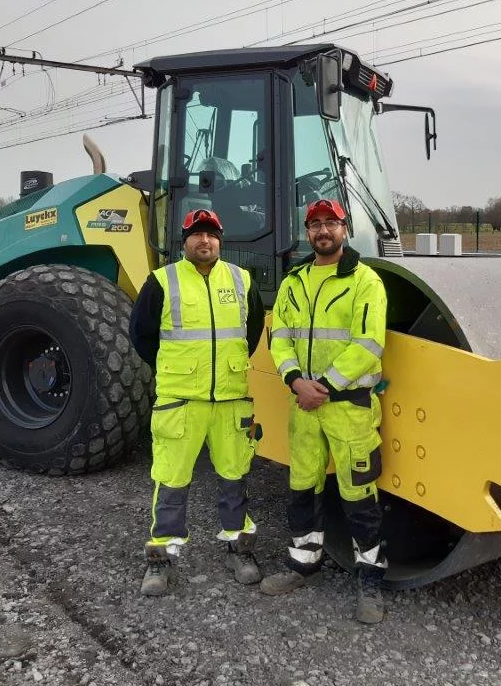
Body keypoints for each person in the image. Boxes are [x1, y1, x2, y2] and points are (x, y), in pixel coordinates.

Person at [259, 198, 389, 625]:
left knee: (359, 496)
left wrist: (325, 386)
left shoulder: (364, 281)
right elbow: (280, 336)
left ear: (344, 227)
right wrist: (296, 380)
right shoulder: (294, 281)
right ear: (307, 231)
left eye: (329, 223)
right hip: (305, 407)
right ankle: (303, 563)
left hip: (348, 408)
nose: (322, 231)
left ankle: (370, 579)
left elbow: (368, 345)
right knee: (302, 486)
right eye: (314, 224)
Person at [129, 208, 266, 596]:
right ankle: (161, 559)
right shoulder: (161, 281)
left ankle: (239, 548)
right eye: (196, 234)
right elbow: (141, 335)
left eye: (211, 234)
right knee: (171, 479)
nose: (203, 241)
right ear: (184, 241)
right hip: (181, 402)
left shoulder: (241, 280)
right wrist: (179, 368)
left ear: (220, 241)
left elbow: (251, 330)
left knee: (234, 476)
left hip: (230, 399)